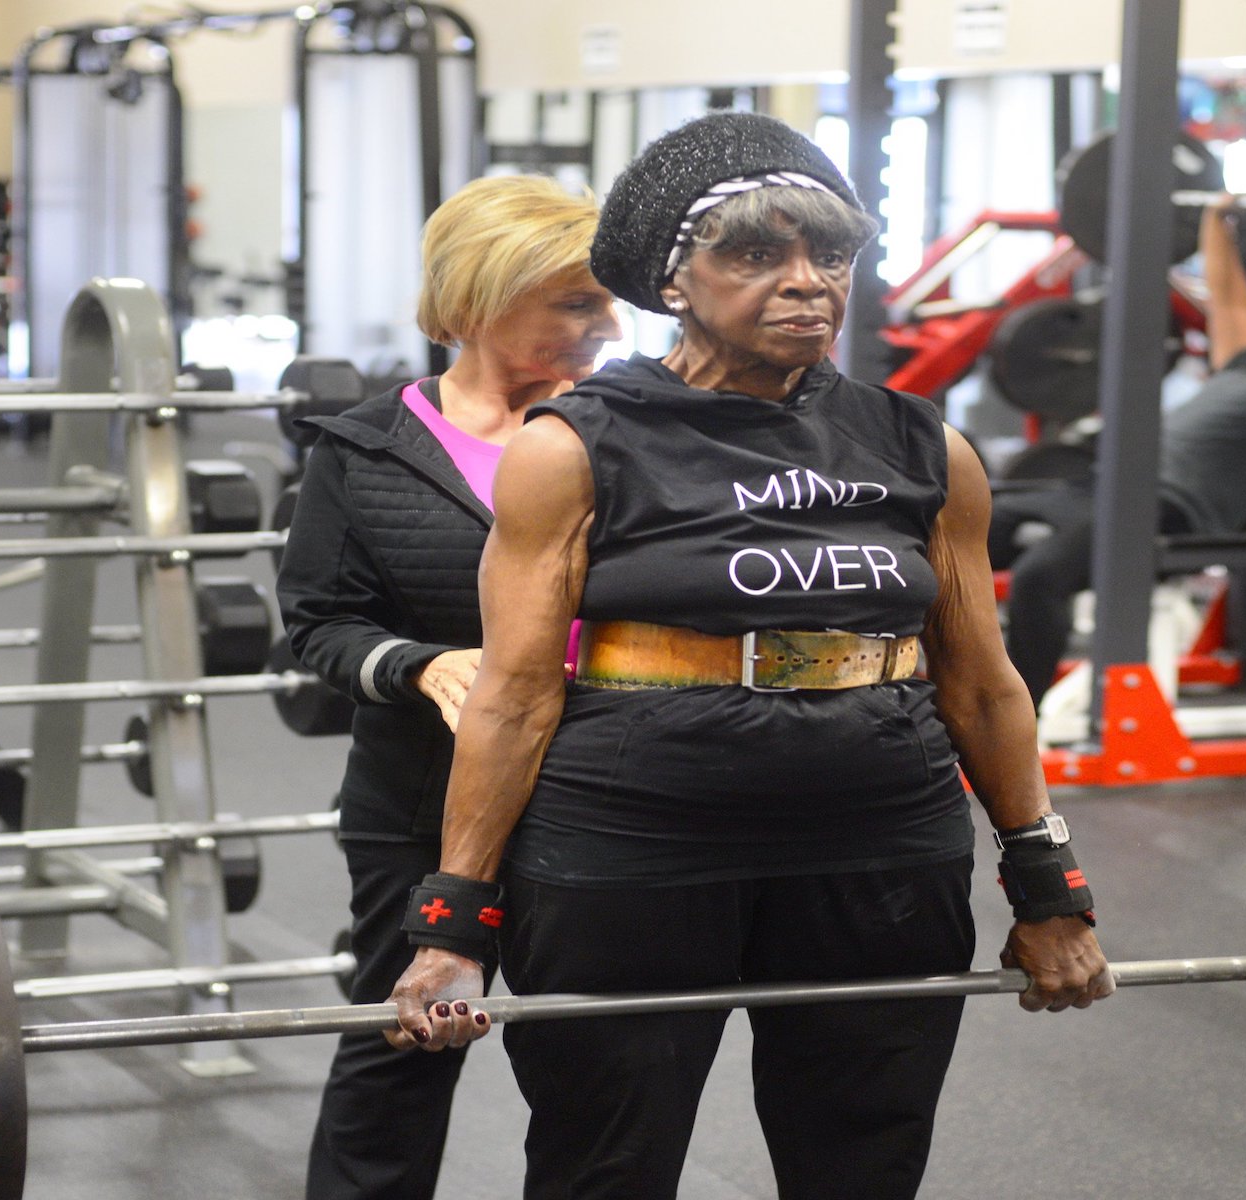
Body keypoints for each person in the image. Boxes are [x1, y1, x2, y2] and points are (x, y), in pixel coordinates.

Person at [378, 112, 1113, 1200]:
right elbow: (515, 694)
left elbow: (979, 681)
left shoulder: (924, 447)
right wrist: (453, 919)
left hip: (876, 842)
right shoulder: (574, 446)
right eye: (756, 254)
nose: (807, 282)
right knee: (605, 1162)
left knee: (863, 1157)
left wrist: (1047, 879)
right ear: (675, 281)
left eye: (831, 255)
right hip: (631, 844)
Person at [278, 173, 621, 1200]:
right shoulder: (365, 449)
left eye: (608, 299)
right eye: (575, 301)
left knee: (596, 1071)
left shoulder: (631, 434)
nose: (606, 323)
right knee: (405, 1044)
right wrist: (418, 665)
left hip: (604, 801)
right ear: (478, 298)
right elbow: (317, 625)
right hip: (418, 805)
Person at [1001, 195, 1246, 706]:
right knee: (960, 522)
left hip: (1173, 512)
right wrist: (1218, 222)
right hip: (1107, 485)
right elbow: (1228, 300)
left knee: (1040, 576)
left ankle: (1014, 721)